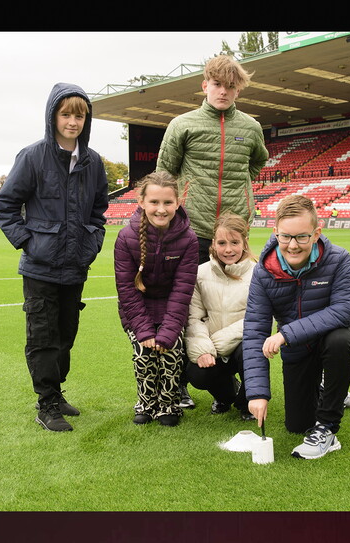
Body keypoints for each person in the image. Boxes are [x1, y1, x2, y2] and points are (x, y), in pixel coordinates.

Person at [155, 54, 269, 408]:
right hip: (194, 230)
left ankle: (234, 377)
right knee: (183, 306)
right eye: (218, 84)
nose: (224, 91)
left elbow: (258, 161)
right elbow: (165, 172)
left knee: (239, 305)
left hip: (235, 232)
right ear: (205, 85)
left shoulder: (250, 127)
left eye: (231, 86)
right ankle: (180, 383)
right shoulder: (182, 124)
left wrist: (243, 197)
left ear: (238, 90)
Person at [0, 82, 109, 432]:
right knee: (43, 337)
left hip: (75, 266)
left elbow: (99, 211)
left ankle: (56, 394)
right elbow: (6, 206)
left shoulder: (93, 162)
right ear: (53, 116)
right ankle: (46, 404)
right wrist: (29, 242)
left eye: (79, 115)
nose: (73, 121)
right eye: (66, 114)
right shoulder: (33, 156)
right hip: (40, 268)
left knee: (66, 336)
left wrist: (93, 243)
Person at [242, 195, 350, 460]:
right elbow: (254, 331)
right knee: (296, 425)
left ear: (317, 233)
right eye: (286, 237)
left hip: (331, 336)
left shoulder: (339, 259)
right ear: (275, 233)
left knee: (339, 341)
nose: (293, 246)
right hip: (298, 348)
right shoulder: (263, 272)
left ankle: (328, 428)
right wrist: (258, 393)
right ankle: (332, 390)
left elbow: (343, 311)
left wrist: (286, 333)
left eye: (302, 237)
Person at [114, 171, 199, 427]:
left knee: (171, 351)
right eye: (154, 202)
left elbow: (183, 289)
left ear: (177, 203)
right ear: (141, 201)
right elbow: (127, 291)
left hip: (172, 308)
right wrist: (144, 330)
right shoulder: (126, 238)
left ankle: (169, 404)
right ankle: (146, 403)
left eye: (167, 203)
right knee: (144, 353)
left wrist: (169, 330)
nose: (161, 209)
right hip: (138, 309)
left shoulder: (188, 239)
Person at [185, 213, 257, 421]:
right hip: (212, 347)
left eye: (234, 242)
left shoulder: (258, 274)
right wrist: (204, 350)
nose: (228, 249)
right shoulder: (200, 274)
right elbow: (194, 318)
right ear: (213, 244)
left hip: (241, 345)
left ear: (245, 243)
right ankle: (225, 396)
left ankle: (247, 403)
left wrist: (215, 345)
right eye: (222, 242)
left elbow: (257, 319)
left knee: (251, 352)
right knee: (197, 373)